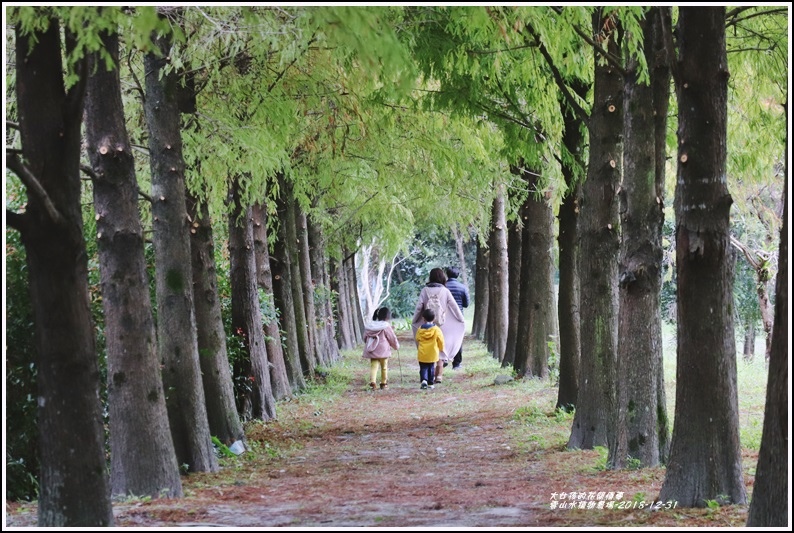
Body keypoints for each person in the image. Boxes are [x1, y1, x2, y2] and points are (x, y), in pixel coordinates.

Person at [411, 267, 465, 385]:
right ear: (442, 277)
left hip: (427, 323)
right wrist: (461, 320)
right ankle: (438, 376)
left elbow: (419, 307)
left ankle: (426, 376)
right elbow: (454, 306)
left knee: (428, 347)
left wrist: (414, 320)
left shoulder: (425, 290)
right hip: (442, 324)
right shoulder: (445, 291)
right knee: (441, 349)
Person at [362, 307, 400, 390]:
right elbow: (391, 337)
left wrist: (369, 344)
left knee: (373, 366)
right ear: (387, 317)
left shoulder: (370, 326)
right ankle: (383, 384)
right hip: (383, 350)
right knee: (384, 367)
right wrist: (396, 346)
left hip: (373, 349)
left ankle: (372, 383)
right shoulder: (386, 326)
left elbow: (365, 337)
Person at [444, 266, 470, 370]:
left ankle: (444, 359)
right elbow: (466, 304)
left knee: (443, 338)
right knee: (457, 340)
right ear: (457, 275)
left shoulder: (443, 287)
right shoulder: (463, 287)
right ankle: (457, 363)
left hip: (445, 316)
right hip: (458, 317)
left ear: (447, 274)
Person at [415, 308, 444, 390]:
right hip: (433, 352)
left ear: (423, 318)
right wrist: (441, 348)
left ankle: (424, 380)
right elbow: (441, 340)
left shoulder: (420, 329)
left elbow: (417, 338)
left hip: (422, 352)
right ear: (434, 318)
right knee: (431, 367)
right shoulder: (436, 329)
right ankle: (431, 383)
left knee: (423, 367)